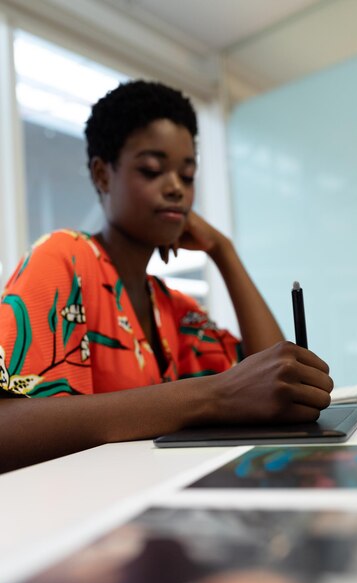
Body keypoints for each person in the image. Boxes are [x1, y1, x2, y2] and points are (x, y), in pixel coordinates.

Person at [0, 80, 333, 473]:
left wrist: (223, 252)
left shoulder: (173, 308)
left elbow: (278, 381)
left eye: (188, 176)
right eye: (152, 170)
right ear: (102, 175)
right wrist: (214, 396)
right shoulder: (63, 257)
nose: (176, 187)